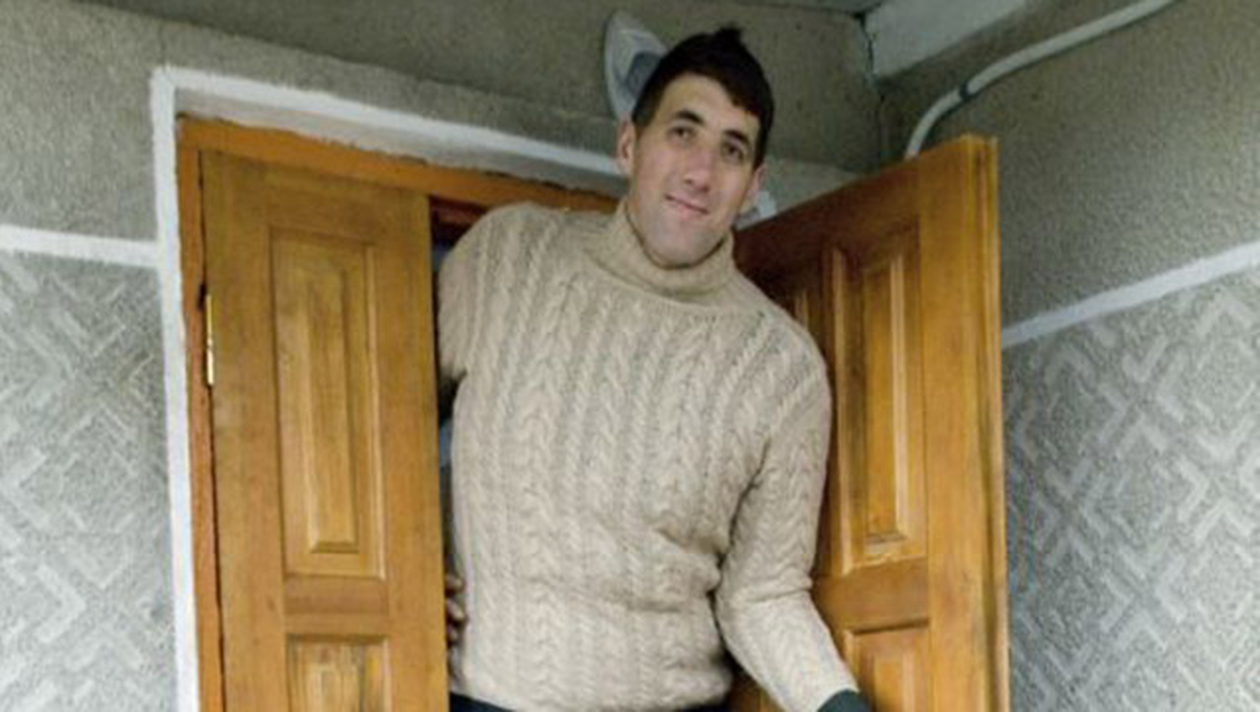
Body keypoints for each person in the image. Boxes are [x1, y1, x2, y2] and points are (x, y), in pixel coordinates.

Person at [438, 26, 870, 712]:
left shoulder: (782, 369)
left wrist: (839, 705)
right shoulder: (505, 258)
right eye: (683, 132)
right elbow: (384, 418)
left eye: (732, 150)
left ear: (752, 187)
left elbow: (762, 594)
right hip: (486, 700)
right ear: (628, 145)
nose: (702, 171)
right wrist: (397, 567)